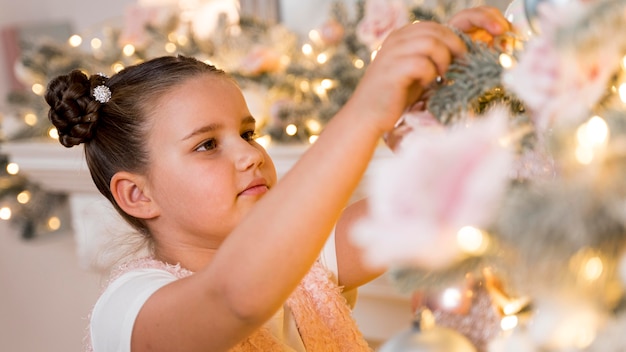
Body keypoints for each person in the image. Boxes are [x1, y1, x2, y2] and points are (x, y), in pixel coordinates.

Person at [45, 6, 510, 352]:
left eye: (248, 133)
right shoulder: (128, 308)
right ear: (137, 195)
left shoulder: (305, 266)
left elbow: (425, 207)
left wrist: (428, 119)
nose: (249, 155)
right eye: (207, 145)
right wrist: (365, 110)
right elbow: (235, 298)